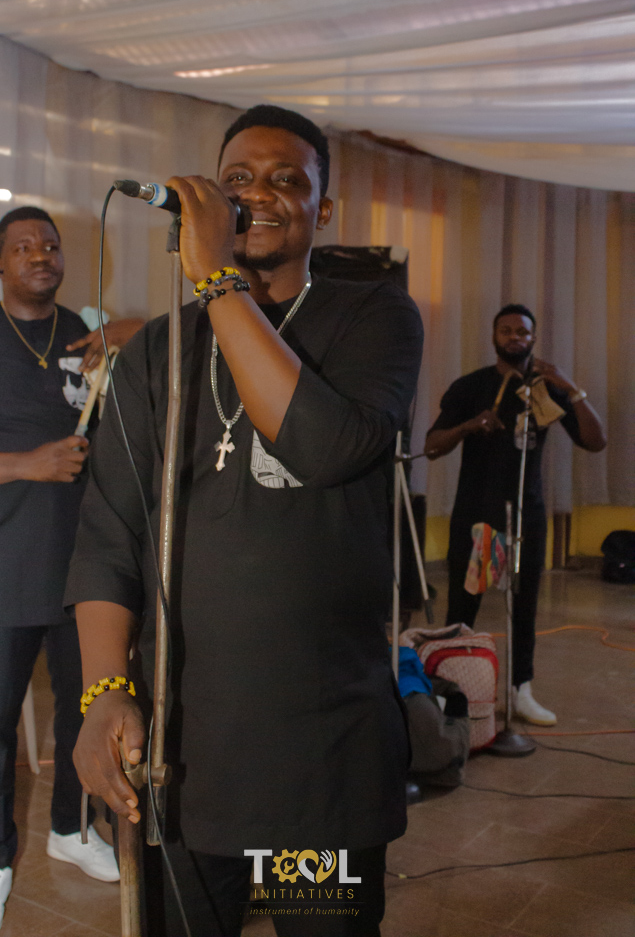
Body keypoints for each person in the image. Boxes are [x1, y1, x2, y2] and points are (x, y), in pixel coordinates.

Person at [65, 105, 424, 936]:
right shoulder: (157, 352)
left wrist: (216, 281)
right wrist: (104, 692)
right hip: (184, 758)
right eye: (237, 179)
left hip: (319, 762)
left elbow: (325, 447)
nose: (258, 194)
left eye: (285, 180)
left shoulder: (373, 318)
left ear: (323, 210)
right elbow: (110, 534)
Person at [0, 206, 144, 937]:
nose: (39, 254)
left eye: (49, 244)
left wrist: (134, 334)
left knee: (85, 709)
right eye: (22, 247)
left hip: (84, 571)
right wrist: (27, 464)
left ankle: (71, 830)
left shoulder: (88, 335)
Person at [424, 304, 606, 725]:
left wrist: (570, 388)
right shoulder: (470, 386)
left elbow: (595, 442)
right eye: (505, 330)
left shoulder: (546, 388)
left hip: (526, 516)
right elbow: (432, 446)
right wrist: (469, 425)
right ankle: (450, 690)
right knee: (462, 607)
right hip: (475, 515)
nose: (514, 337)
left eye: (522, 331)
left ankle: (520, 690)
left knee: (524, 608)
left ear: (533, 338)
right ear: (494, 337)